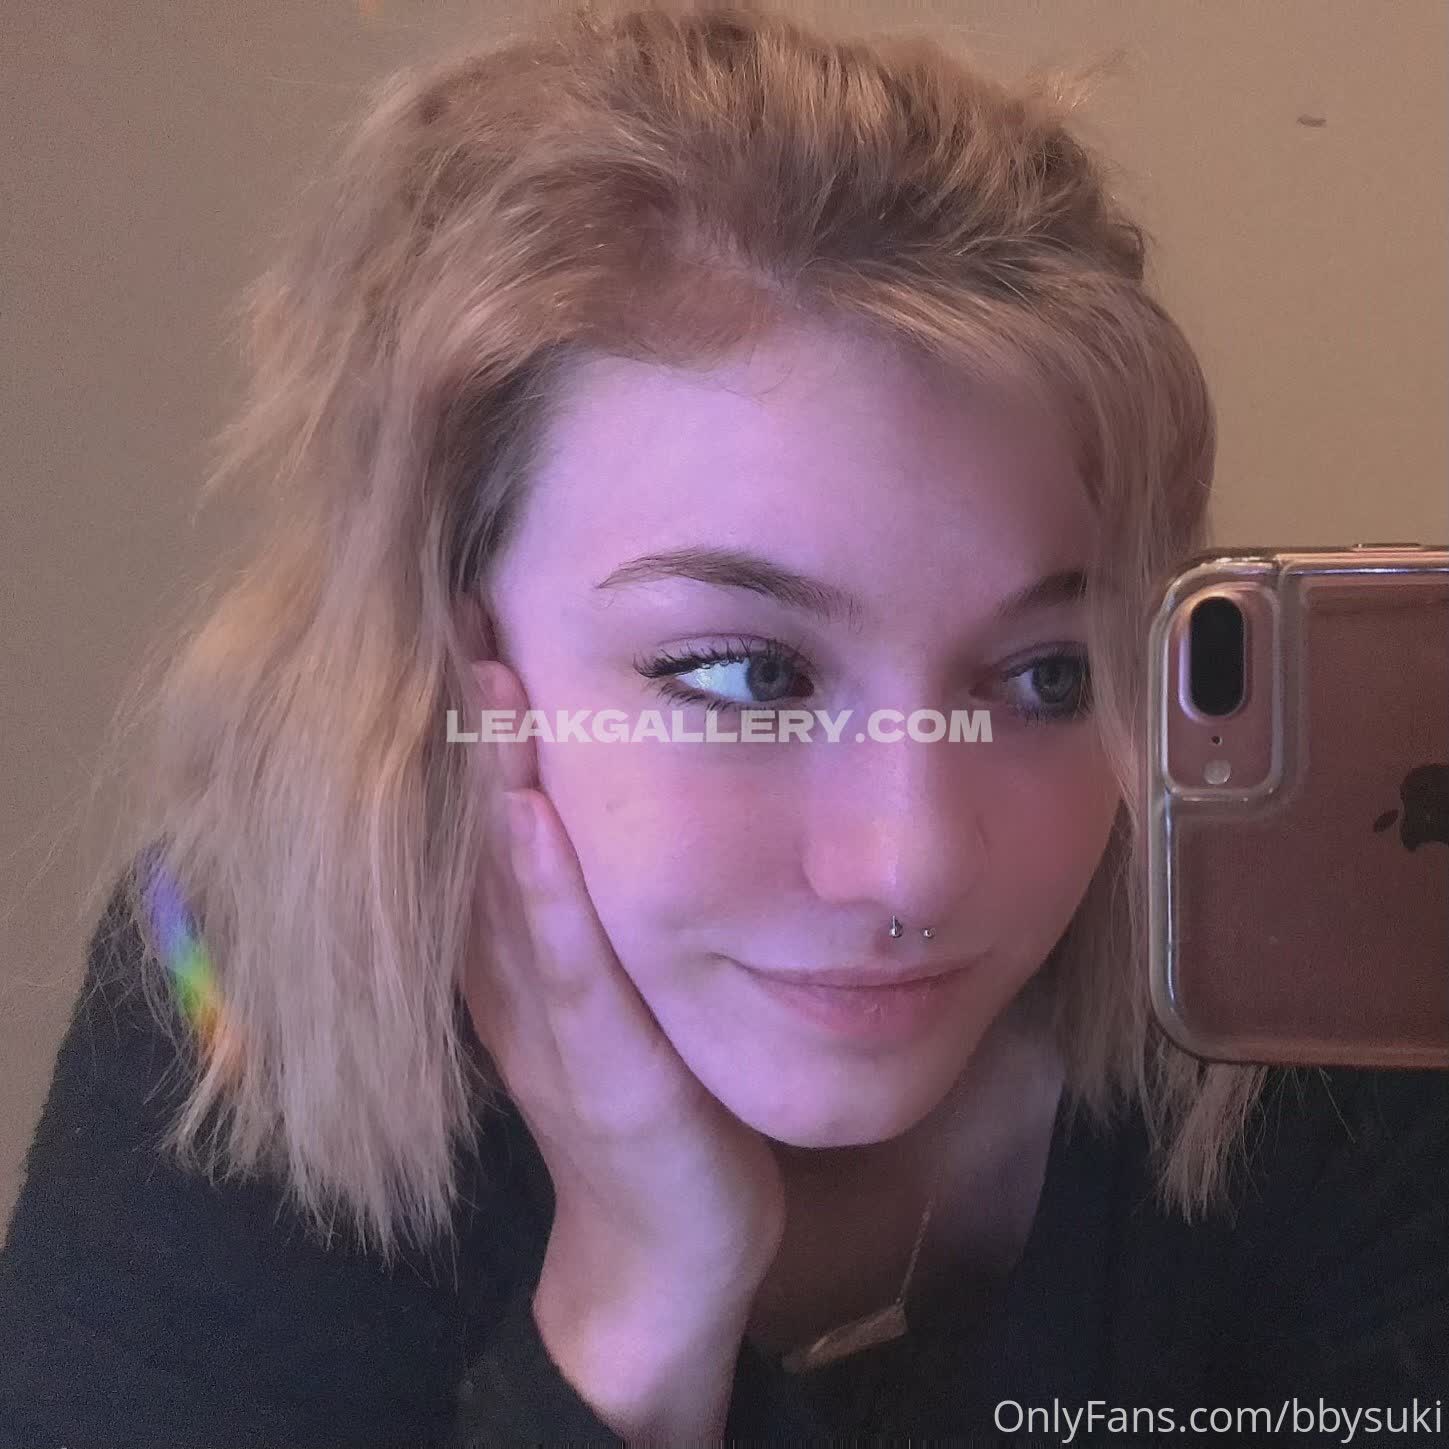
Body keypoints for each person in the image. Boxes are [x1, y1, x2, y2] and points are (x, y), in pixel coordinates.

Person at [3, 2, 1446, 1445]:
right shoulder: (245, 1004)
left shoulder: (1298, 1046)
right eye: (748, 677)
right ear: (441, 656)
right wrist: (637, 1318)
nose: (914, 867)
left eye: (1048, 679)